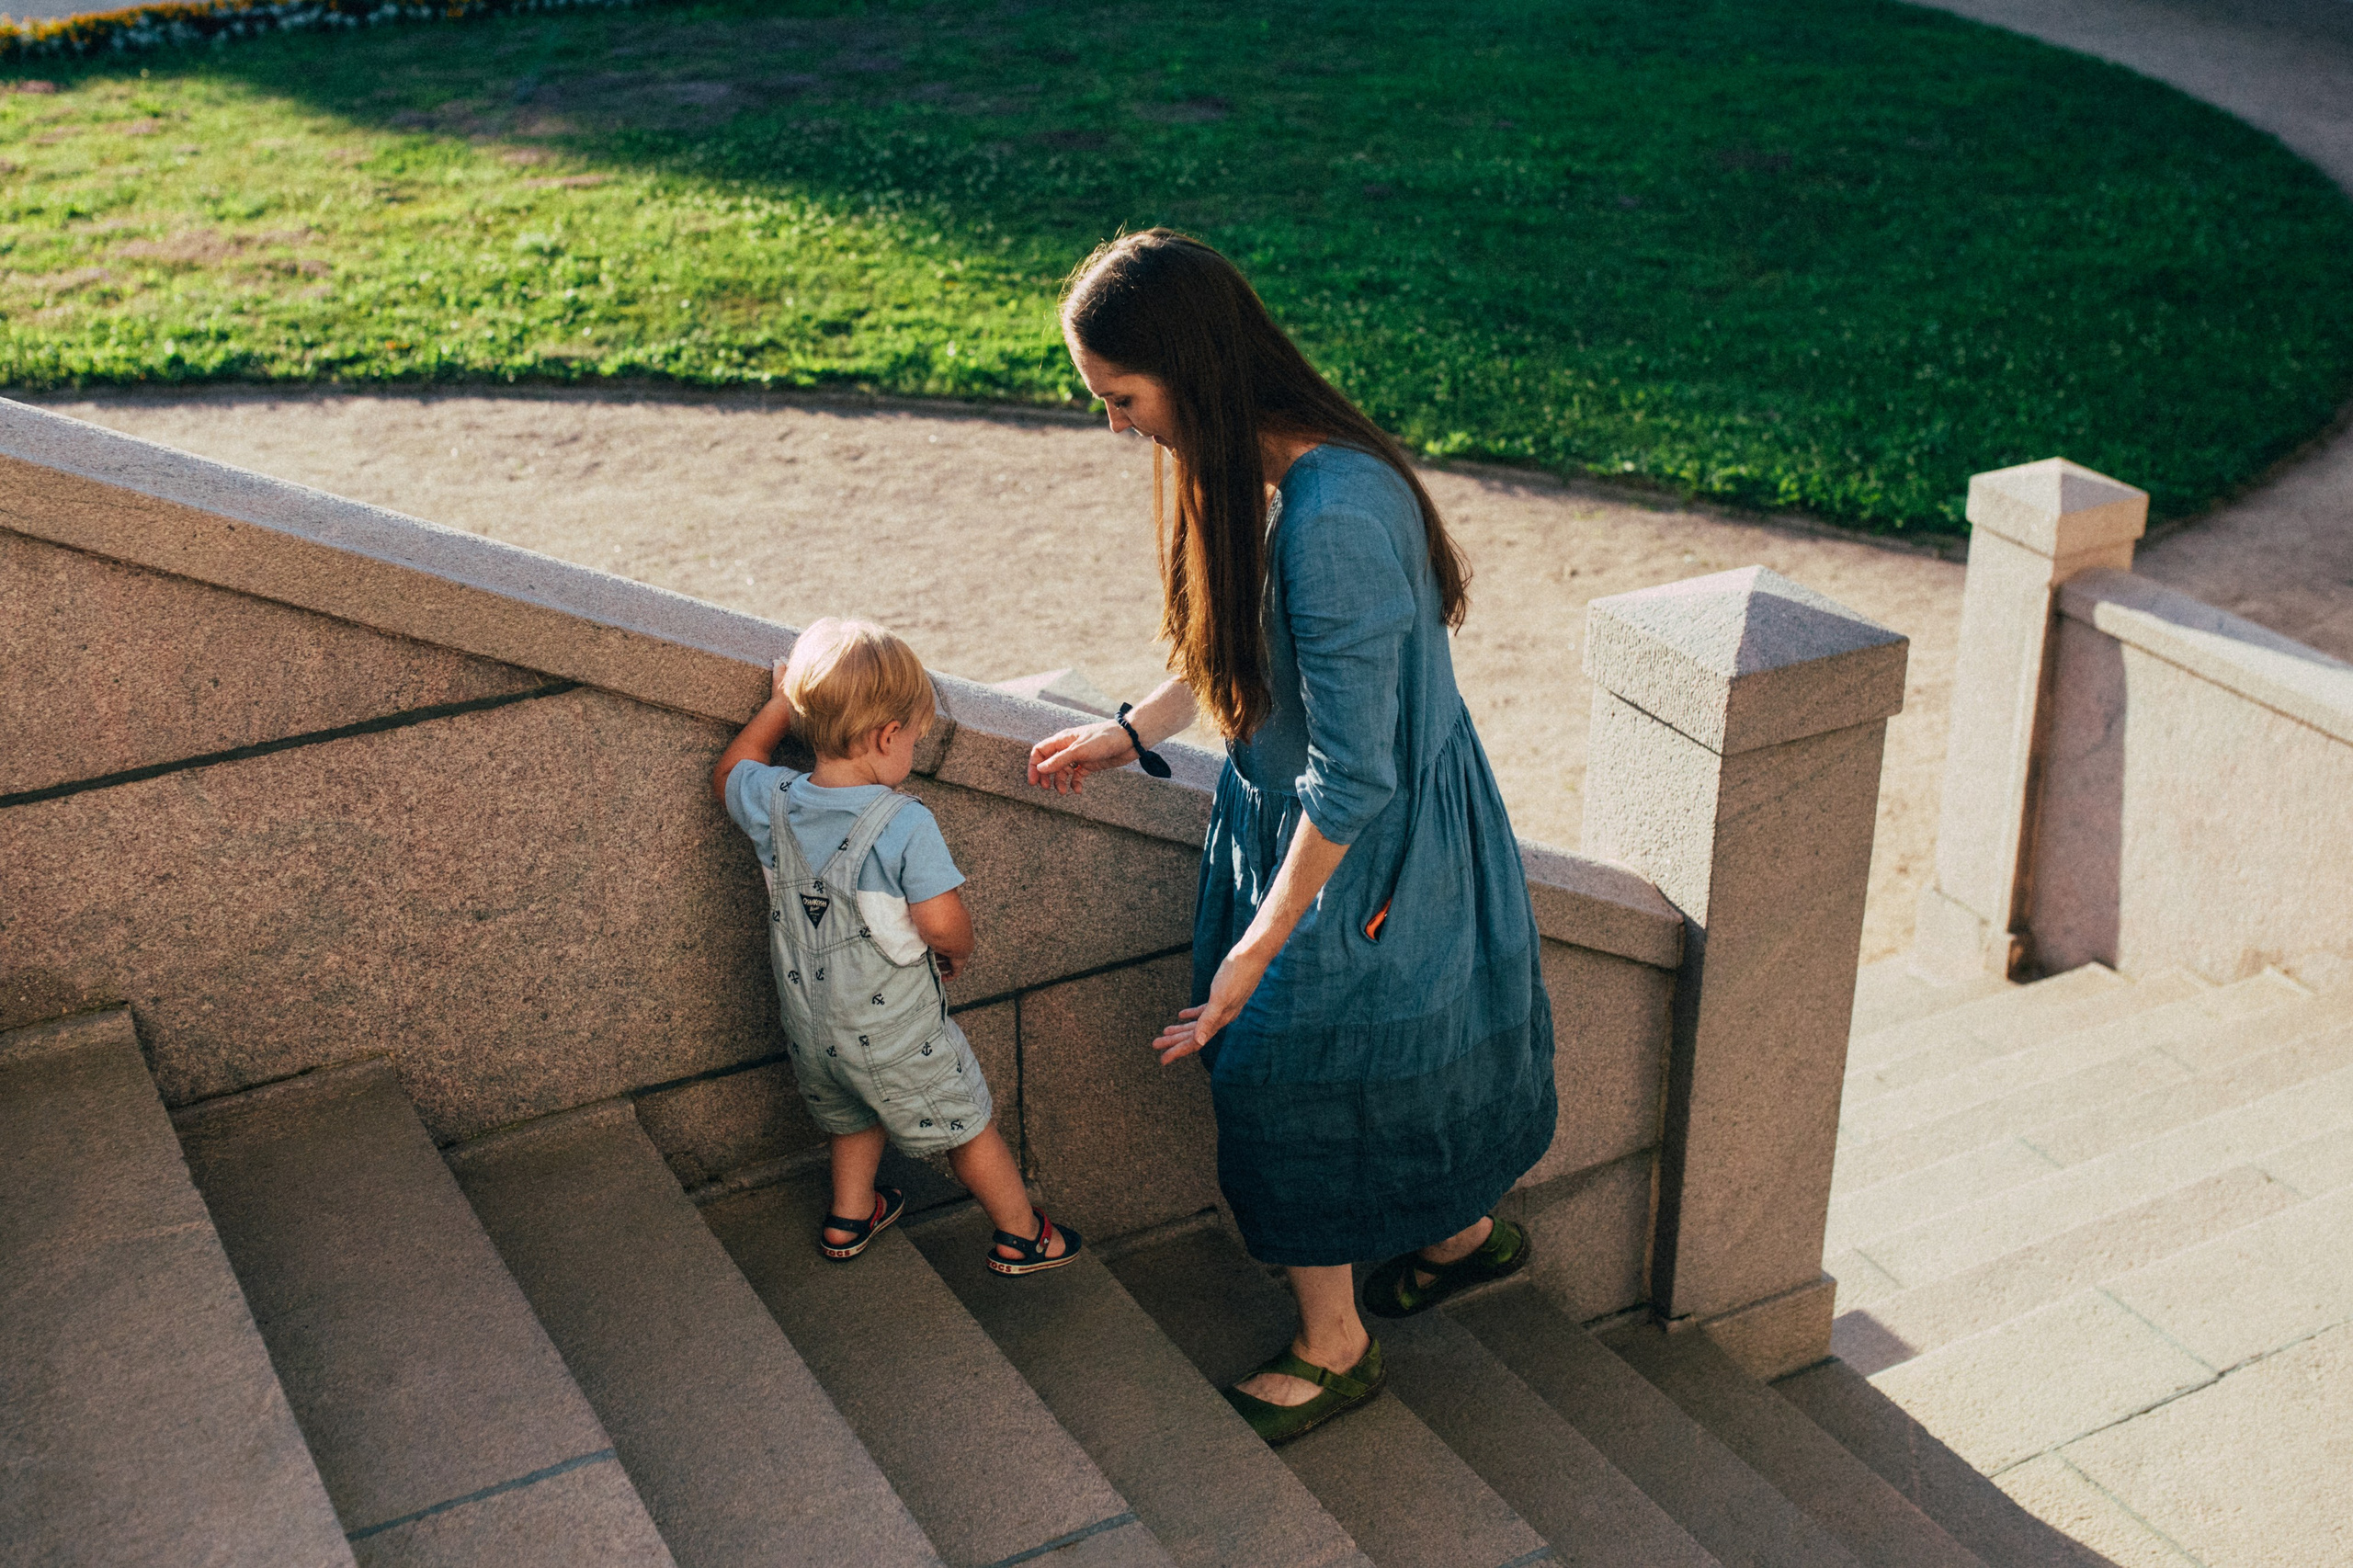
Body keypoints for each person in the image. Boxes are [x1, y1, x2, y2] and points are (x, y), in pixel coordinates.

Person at [1029, 230, 1557, 1444]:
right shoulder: (1247, 461)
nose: (1113, 426)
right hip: (1328, 830)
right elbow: (1236, 645)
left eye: (1122, 399)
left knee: (1277, 1070)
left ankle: (1339, 1344)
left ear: (1193, 372)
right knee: (1411, 1052)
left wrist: (1257, 951)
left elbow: (1356, 771)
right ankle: (1458, 1238)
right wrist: (1132, 728)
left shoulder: (1332, 515)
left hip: (1355, 850)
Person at [715, 617, 1078, 1275]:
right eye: (914, 736)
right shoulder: (904, 822)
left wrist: (777, 707)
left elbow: (731, 770)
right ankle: (1023, 1234)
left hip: (811, 1023)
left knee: (850, 1110)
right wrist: (960, 951)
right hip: (894, 1030)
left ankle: (850, 1215)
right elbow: (940, 921)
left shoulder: (772, 802)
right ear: (888, 736)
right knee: (963, 1122)